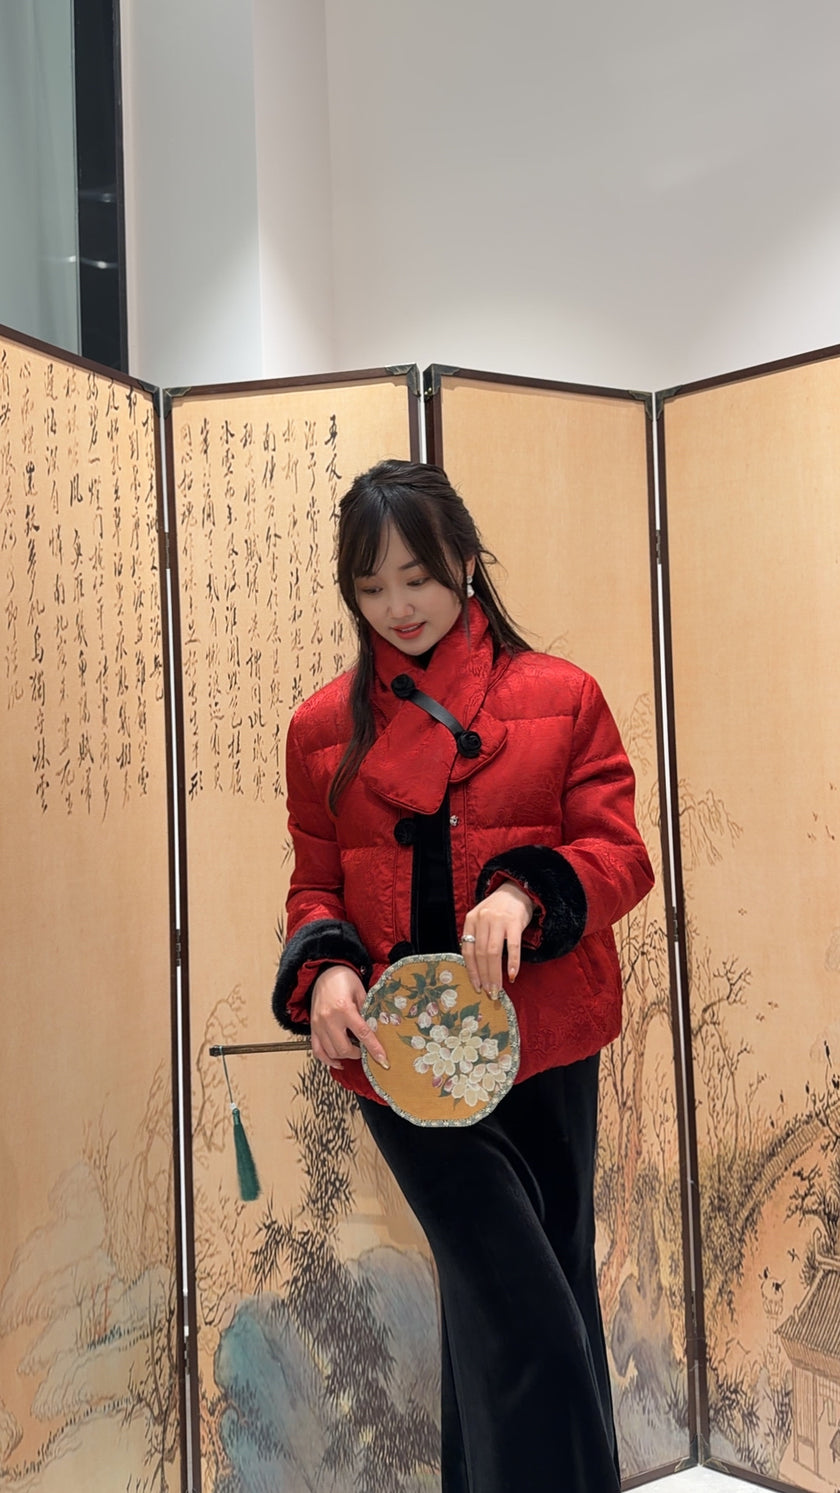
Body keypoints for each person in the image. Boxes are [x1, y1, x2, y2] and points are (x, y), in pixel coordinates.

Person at [271, 458, 654, 1492]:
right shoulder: (321, 730)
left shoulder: (561, 697)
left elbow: (621, 854)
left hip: (542, 1043)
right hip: (402, 1059)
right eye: (370, 585)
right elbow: (316, 891)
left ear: (467, 566)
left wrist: (529, 889)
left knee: (539, 1298)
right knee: (523, 1308)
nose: (397, 606)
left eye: (419, 577)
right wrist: (328, 971)